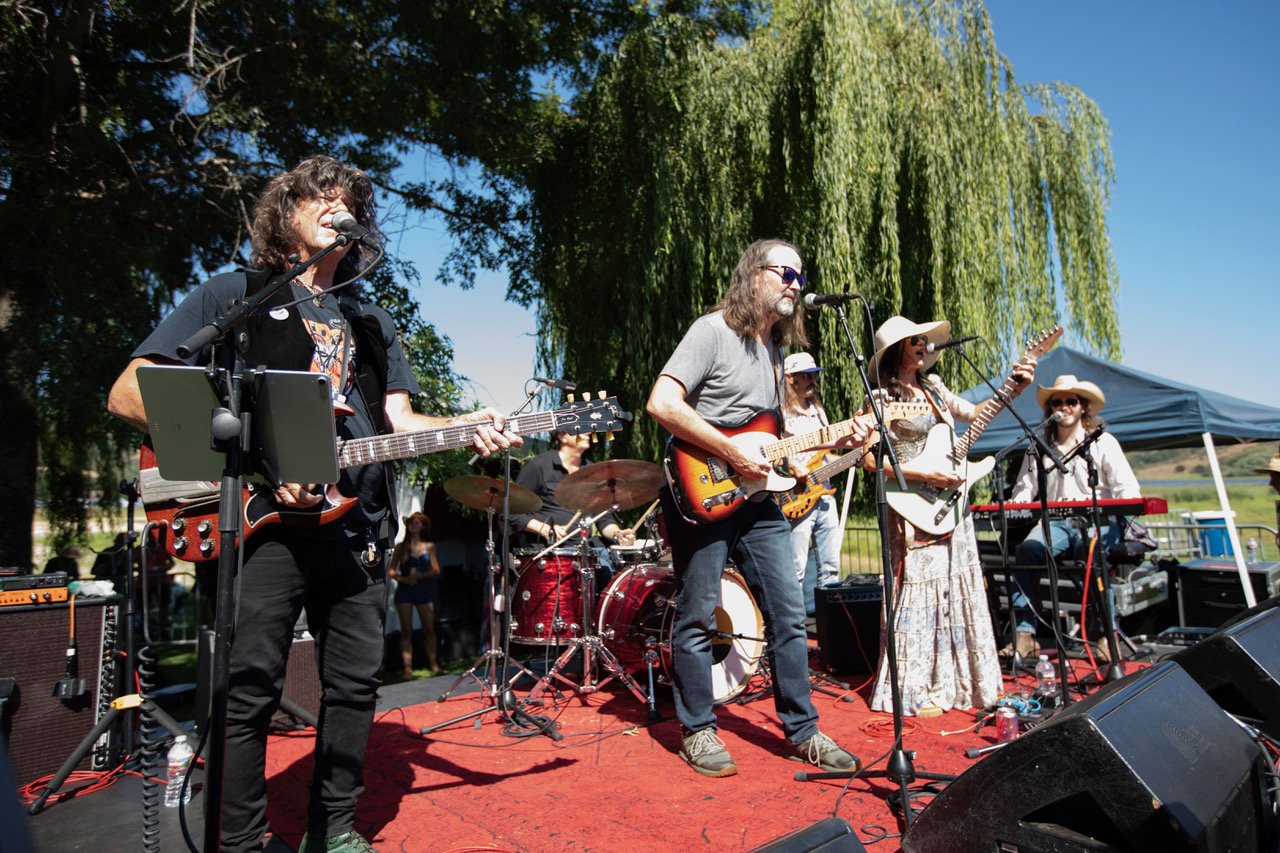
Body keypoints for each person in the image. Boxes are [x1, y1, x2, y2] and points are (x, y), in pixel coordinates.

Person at [107, 156, 520, 853]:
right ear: (285, 212)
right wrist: (269, 458)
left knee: (356, 686)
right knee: (247, 693)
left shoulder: (371, 320)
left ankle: (334, 830)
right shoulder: (234, 294)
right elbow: (128, 391)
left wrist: (464, 425)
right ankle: (238, 840)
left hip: (355, 525)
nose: (337, 203)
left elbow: (398, 422)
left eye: (350, 198)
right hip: (263, 527)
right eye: (320, 195)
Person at [646, 238, 868, 777]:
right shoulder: (712, 330)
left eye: (800, 275)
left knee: (790, 616)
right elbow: (661, 403)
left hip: (758, 497)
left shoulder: (773, 352)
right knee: (698, 616)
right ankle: (697, 731)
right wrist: (729, 452)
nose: (796, 283)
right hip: (703, 494)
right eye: (786, 273)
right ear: (754, 275)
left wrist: (834, 442)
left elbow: (768, 441)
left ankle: (803, 731)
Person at [862, 316, 1036, 717]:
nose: (925, 345)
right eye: (916, 340)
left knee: (951, 589)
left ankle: (953, 680)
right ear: (898, 349)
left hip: (949, 503)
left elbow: (975, 415)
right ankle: (913, 686)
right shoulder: (880, 397)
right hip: (911, 504)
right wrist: (927, 474)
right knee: (917, 592)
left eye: (926, 339)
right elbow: (871, 460)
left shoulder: (936, 388)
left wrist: (1013, 388)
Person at [1008, 375, 1140, 660]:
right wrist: (1017, 502)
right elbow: (1025, 487)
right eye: (1058, 402)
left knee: (1088, 552)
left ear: (1083, 407)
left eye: (1072, 401)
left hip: (1098, 521)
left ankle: (1106, 635)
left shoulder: (1103, 442)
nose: (1065, 406)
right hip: (1055, 521)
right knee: (1027, 551)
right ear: (1050, 409)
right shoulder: (1038, 445)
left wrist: (1116, 508)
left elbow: (1127, 488)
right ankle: (1025, 635)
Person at [781, 352, 844, 615]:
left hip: (825, 495)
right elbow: (774, 451)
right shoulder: (780, 413)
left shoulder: (818, 411)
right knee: (796, 568)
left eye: (814, 375)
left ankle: (831, 628)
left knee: (831, 567)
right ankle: (794, 631)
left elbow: (826, 452)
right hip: (796, 497)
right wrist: (791, 465)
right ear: (789, 378)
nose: (812, 380)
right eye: (806, 375)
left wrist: (853, 457)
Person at [509, 429, 636, 553]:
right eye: (579, 430)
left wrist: (618, 534)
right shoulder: (538, 466)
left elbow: (604, 519)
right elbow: (511, 511)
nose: (587, 433)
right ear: (562, 437)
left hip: (585, 551)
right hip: (547, 551)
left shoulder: (593, 472)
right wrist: (546, 529)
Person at [389, 512, 443, 677]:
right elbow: (391, 571)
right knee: (406, 629)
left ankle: (434, 664)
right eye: (412, 522)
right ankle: (407, 669)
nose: (414, 525)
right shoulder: (401, 547)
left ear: (423, 526)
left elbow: (436, 570)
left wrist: (422, 575)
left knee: (429, 628)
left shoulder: (429, 546)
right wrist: (403, 579)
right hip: (405, 589)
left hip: (423, 589)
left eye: (418, 522)